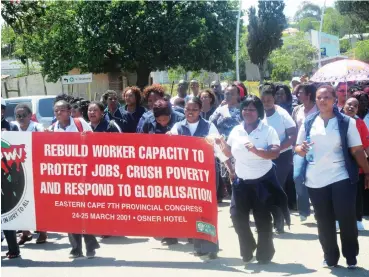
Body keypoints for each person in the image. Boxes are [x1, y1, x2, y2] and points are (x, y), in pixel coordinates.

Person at [295, 85, 369, 269]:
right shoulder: (309, 121)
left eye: (327, 97)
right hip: (315, 179)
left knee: (346, 219)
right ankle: (330, 256)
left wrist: (367, 170)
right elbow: (298, 147)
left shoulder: (346, 122)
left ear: (335, 99)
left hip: (341, 177)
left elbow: (357, 150)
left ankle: (351, 256)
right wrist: (301, 149)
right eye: (319, 97)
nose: (322, 100)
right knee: (324, 221)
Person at [217, 95, 288, 265]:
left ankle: (265, 254)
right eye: (245, 109)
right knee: (236, 217)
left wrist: (257, 151)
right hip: (241, 182)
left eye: (252, 109)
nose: (247, 112)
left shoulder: (267, 130)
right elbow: (228, 153)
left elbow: (275, 153)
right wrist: (220, 143)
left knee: (262, 220)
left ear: (259, 112)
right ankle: (247, 249)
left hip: (263, 182)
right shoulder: (236, 130)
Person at [169, 97, 223, 260]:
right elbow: (169, 145)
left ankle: (212, 246)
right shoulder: (178, 127)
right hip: (187, 177)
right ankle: (199, 246)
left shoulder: (209, 126)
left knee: (208, 211)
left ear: (200, 111)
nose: (190, 112)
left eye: (194, 109)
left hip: (207, 176)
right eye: (187, 109)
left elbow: (218, 149)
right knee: (194, 212)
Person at [48, 100, 98, 258]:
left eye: (61, 110)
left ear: (69, 111)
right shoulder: (52, 129)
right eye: (56, 111)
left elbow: (93, 144)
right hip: (64, 177)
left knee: (83, 212)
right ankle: (76, 248)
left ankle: (90, 245)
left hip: (82, 175)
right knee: (69, 212)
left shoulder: (80, 124)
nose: (58, 114)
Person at [261, 83, 296, 233]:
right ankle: (270, 220)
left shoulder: (282, 114)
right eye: (263, 100)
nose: (266, 103)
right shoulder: (257, 112)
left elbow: (292, 135)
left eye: (269, 100)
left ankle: (280, 221)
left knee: (277, 188)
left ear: (274, 99)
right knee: (264, 189)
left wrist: (277, 149)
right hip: (263, 156)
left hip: (282, 155)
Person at [12, 104, 48, 245]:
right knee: (19, 201)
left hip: (36, 168)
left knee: (38, 202)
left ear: (29, 115)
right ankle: (25, 232)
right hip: (18, 169)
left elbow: (44, 135)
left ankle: (43, 231)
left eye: (23, 115)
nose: (21, 118)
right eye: (18, 116)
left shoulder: (37, 127)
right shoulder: (13, 127)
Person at [291, 84, 318, 221]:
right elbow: (294, 128)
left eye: (300, 92)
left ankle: (320, 207)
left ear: (308, 94)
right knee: (297, 176)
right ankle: (304, 209)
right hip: (299, 148)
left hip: (317, 148)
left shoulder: (319, 108)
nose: (297, 95)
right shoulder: (297, 110)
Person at [343, 97, 369, 231]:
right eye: (349, 104)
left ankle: (358, 219)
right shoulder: (337, 120)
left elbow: (366, 146)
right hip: (340, 163)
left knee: (357, 194)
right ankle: (337, 219)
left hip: (356, 163)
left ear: (358, 109)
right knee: (340, 193)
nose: (351, 107)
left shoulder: (361, 123)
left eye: (355, 105)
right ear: (343, 105)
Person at [1, 99, 20, 259]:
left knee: (6, 213)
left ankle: (13, 248)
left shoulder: (12, 127)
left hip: (5, 175)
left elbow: (17, 152)